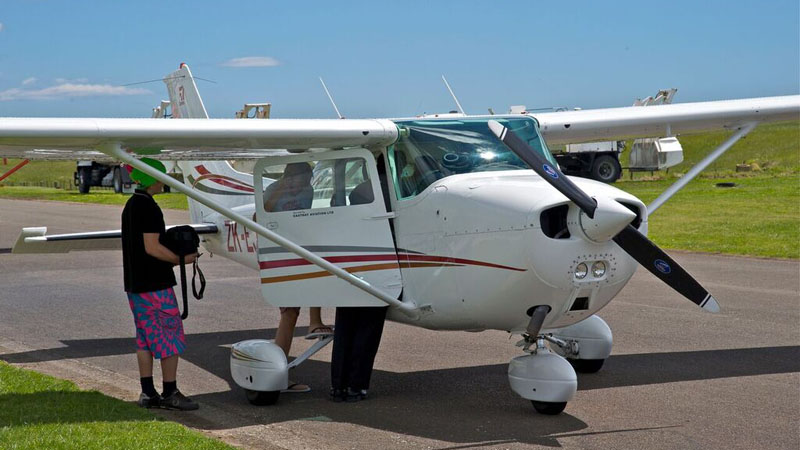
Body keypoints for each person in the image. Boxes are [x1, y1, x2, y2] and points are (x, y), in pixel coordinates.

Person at [121, 158, 199, 411]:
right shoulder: (149, 208)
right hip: (155, 286)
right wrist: (182, 259)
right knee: (169, 335)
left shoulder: (131, 205)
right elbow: (152, 247)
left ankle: (147, 392)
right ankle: (170, 392)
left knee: (144, 338)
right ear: (151, 178)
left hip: (135, 285)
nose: (163, 181)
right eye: (160, 176)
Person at [263, 162, 332, 393]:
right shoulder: (273, 190)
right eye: (293, 181)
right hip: (279, 252)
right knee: (289, 312)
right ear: (284, 178)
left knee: (315, 275)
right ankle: (278, 375)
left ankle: (315, 322)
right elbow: (258, 216)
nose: (298, 186)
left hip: (300, 247)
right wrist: (279, 193)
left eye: (303, 182)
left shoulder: (308, 191)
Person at [330, 155, 390, 402]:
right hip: (378, 266)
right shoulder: (384, 189)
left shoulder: (359, 190)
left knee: (346, 328)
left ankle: (340, 386)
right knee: (367, 330)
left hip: (352, 265)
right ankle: (356, 384)